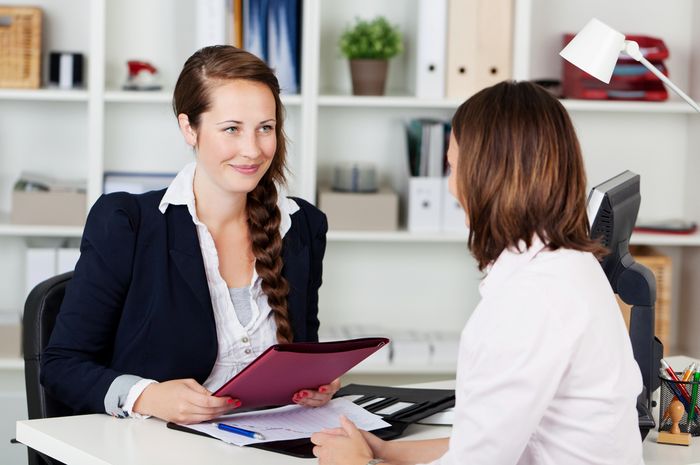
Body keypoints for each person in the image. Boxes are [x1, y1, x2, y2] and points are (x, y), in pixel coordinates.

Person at [311, 81, 644, 465]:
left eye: (453, 167)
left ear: (487, 175)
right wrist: (384, 451)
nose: (451, 187)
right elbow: (487, 443)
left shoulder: (531, 300)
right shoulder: (570, 265)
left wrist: (355, 463)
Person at [41, 45, 338, 424]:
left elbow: (301, 352)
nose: (252, 150)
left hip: (267, 443)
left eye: (265, 128)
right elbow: (60, 365)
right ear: (189, 128)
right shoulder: (127, 223)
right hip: (157, 448)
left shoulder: (302, 225)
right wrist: (146, 396)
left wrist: (314, 384)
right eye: (231, 129)